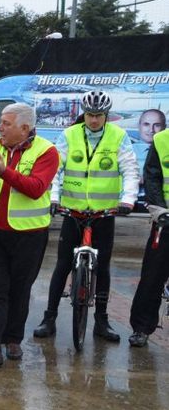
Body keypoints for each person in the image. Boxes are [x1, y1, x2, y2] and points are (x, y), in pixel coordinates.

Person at [31, 91, 138, 342]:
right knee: (63, 265)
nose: (93, 120)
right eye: (90, 115)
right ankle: (49, 318)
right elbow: (57, 169)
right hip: (73, 210)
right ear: (84, 113)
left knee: (103, 268)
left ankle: (101, 320)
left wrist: (128, 199)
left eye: (99, 116)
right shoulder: (69, 135)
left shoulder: (119, 136)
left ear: (106, 116)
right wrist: (54, 198)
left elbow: (130, 170)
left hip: (104, 212)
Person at [0, 103, 60, 366]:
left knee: (20, 288)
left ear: (24, 128)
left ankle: (13, 339)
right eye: (1, 123)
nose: (0, 128)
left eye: (6, 124)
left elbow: (36, 188)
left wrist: (3, 173)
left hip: (30, 233)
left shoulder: (47, 151)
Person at [128, 128, 169, 347]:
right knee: (153, 276)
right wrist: (159, 209)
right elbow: (152, 176)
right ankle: (141, 328)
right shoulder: (162, 140)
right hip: (166, 221)